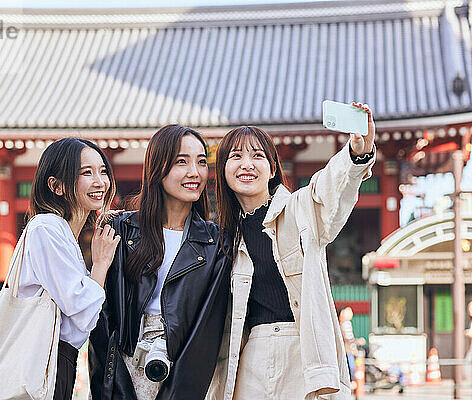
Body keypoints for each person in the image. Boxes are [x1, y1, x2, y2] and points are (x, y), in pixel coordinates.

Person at [209, 103, 376, 400]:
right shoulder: (221, 236)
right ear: (223, 170)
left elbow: (327, 190)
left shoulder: (299, 209)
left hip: (302, 349)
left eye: (257, 156)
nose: (247, 164)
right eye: (236, 156)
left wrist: (356, 155)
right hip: (250, 355)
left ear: (273, 169)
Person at [89, 125, 231, 400]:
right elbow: (102, 320)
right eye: (182, 161)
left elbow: (205, 333)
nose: (195, 172)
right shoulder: (121, 229)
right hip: (123, 365)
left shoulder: (216, 244)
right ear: (157, 168)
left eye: (201, 162)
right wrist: (114, 388)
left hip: (179, 366)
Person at [13, 137, 120, 400]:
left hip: (56, 361)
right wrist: (102, 264)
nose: (100, 182)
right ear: (56, 186)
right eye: (87, 172)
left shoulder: (61, 232)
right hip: (42, 360)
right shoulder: (46, 228)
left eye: (102, 171)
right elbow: (80, 308)